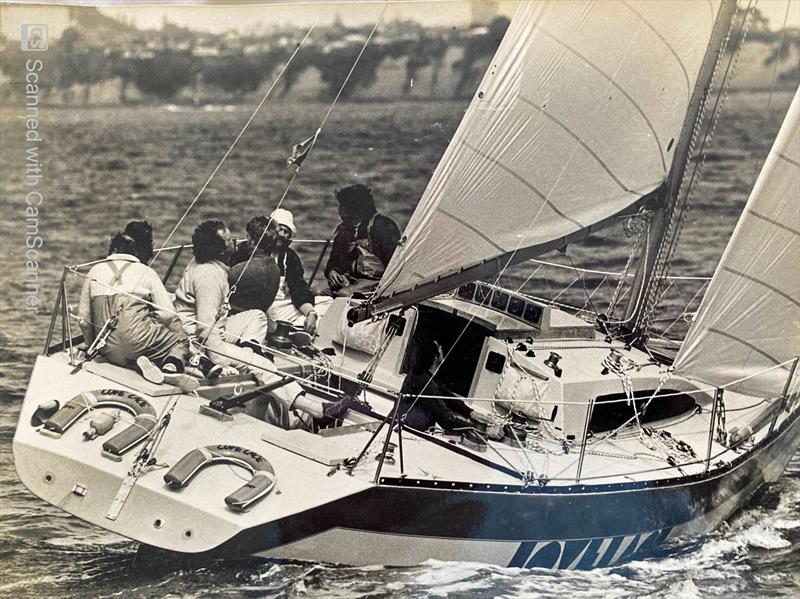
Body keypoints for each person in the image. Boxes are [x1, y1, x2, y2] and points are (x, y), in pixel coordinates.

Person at [174, 219, 331, 428]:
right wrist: (222, 361)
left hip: (212, 328)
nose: (235, 241)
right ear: (220, 250)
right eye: (229, 240)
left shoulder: (208, 265)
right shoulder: (209, 276)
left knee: (256, 315)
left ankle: (248, 352)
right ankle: (312, 408)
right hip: (199, 339)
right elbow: (206, 329)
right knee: (263, 363)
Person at [77, 229, 197, 391]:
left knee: (130, 343)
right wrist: (182, 338)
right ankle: (171, 366)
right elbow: (167, 314)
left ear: (113, 250)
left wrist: (92, 344)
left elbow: (83, 319)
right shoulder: (146, 272)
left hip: (109, 350)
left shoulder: (95, 270)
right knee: (179, 340)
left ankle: (141, 363)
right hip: (137, 343)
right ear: (136, 253)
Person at [396, 337, 486, 449]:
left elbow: (449, 398)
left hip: (408, 430)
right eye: (439, 348)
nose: (442, 349)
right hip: (410, 437)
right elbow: (445, 419)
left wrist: (471, 413)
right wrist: (479, 428)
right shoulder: (426, 383)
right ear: (435, 357)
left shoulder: (422, 376)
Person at [323, 184, 401, 296]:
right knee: (316, 291)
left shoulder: (381, 226)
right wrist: (333, 271)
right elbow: (334, 260)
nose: (338, 210)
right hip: (349, 278)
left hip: (376, 281)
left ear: (353, 209)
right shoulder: (344, 230)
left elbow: (394, 263)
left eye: (342, 207)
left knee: (343, 294)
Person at [267, 208, 332, 335]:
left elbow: (299, 289)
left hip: (278, 306)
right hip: (260, 307)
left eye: (285, 231)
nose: (281, 234)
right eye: (278, 229)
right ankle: (293, 330)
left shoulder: (290, 257)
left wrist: (310, 313)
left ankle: (298, 329)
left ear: (290, 238)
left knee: (327, 302)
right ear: (269, 231)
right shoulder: (254, 250)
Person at [228, 216, 282, 318]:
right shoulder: (275, 270)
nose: (245, 241)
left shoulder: (240, 271)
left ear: (252, 242)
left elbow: (216, 285)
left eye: (247, 237)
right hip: (258, 318)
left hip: (235, 320)